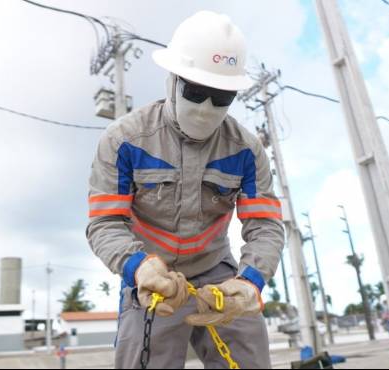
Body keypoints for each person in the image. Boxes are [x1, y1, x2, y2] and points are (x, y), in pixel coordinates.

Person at [87, 10, 285, 369]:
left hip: (218, 273)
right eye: (195, 91)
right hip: (151, 274)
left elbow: (266, 226)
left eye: (221, 96)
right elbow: (104, 223)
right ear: (172, 80)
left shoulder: (246, 151)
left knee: (249, 354)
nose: (206, 107)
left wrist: (249, 283)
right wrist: (140, 269)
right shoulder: (123, 142)